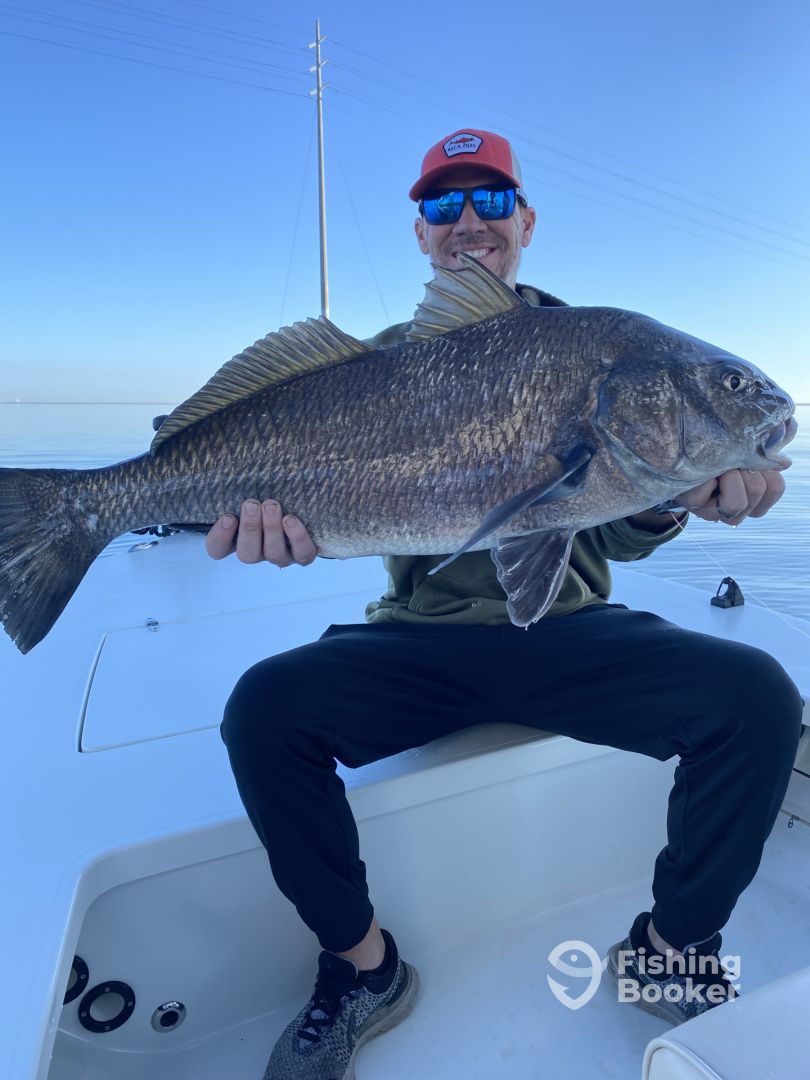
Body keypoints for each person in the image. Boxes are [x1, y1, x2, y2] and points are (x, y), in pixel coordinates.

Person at [208, 129, 803, 1079]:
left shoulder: (596, 349)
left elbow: (607, 530)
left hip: (573, 633)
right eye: (444, 205)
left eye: (490, 201)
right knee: (264, 709)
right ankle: (363, 969)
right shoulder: (376, 365)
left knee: (759, 696)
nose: (469, 222)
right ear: (421, 233)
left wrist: (667, 499)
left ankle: (670, 949)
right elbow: (339, 492)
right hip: (420, 642)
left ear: (526, 221)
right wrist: (274, 528)